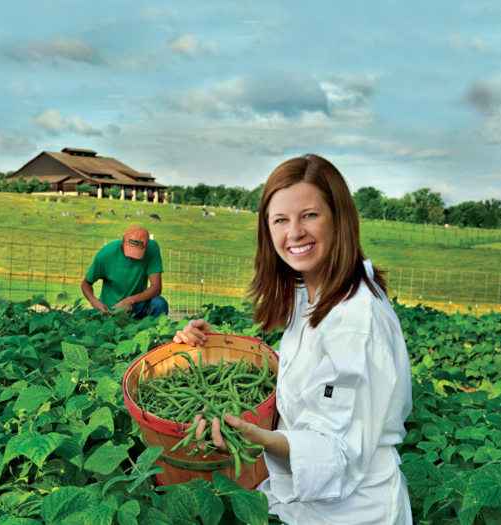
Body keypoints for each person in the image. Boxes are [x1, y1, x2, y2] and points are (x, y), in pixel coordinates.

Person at [174, 155, 412, 524]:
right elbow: (305, 370)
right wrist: (213, 343)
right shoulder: (314, 290)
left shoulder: (356, 322)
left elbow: (336, 451)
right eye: (280, 220)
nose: (294, 232)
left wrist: (254, 437)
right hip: (301, 505)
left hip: (352, 512)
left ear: (340, 219)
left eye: (310, 215)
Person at [81, 225, 168, 318]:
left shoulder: (152, 248)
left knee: (159, 303)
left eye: (137, 253)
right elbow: (86, 283)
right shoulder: (105, 254)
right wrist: (94, 301)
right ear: (123, 240)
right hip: (111, 310)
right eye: (130, 251)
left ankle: (155, 331)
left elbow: (156, 288)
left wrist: (130, 300)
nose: (132, 257)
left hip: (137, 305)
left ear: (146, 246)